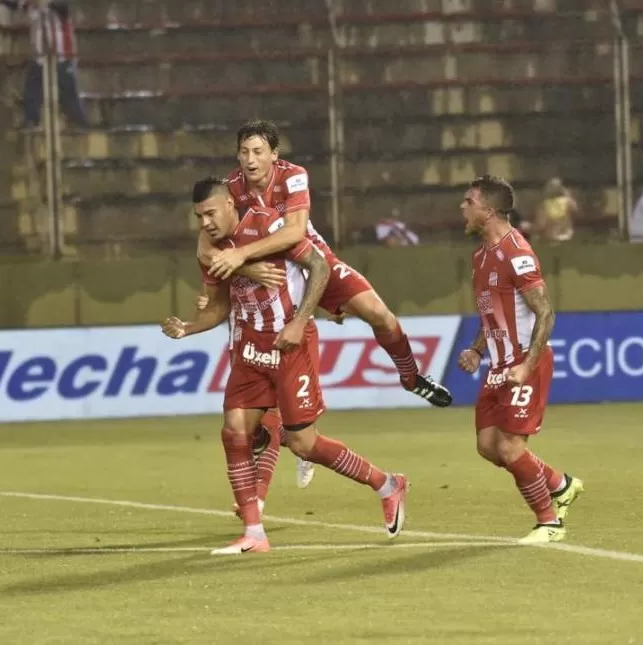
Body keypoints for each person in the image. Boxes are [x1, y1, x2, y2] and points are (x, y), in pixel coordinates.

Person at [163, 177, 409, 554]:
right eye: (198, 216)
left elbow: (319, 268)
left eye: (210, 213)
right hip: (248, 346)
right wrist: (188, 328)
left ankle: (387, 484)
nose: (205, 223)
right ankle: (254, 532)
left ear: (231, 204)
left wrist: (299, 321)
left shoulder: (268, 224)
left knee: (303, 444)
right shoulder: (211, 248)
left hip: (290, 343)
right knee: (234, 432)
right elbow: (219, 307)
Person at [198, 120, 452, 408]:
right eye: (244, 152)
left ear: (274, 154)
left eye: (257, 151)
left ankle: (411, 378)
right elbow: (204, 247)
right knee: (253, 344)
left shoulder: (293, 176)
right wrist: (245, 267)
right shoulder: (229, 188)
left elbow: (295, 232)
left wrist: (241, 256)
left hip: (310, 259)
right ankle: (262, 424)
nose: (250, 160)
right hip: (269, 270)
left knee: (379, 314)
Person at [457, 175, 584, 545]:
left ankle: (549, 522)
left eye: (469, 201)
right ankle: (561, 485)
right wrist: (477, 349)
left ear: (489, 210)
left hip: (524, 363)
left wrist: (527, 364)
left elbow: (546, 313)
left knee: (511, 447)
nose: (462, 208)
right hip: (497, 366)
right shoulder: (480, 255)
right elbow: (493, 313)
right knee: (488, 447)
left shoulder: (518, 252)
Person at [0, 0, 88, 130]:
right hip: (39, 56)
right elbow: (14, 4)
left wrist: (44, 3)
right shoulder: (32, 4)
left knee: (69, 92)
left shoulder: (60, 5)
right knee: (32, 90)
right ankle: (31, 121)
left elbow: (64, 6)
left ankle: (80, 123)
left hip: (63, 55)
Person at [533, 177, 578, 242]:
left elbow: (540, 225)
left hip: (550, 236)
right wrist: (568, 195)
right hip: (567, 235)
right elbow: (576, 213)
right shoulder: (568, 201)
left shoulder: (543, 205)